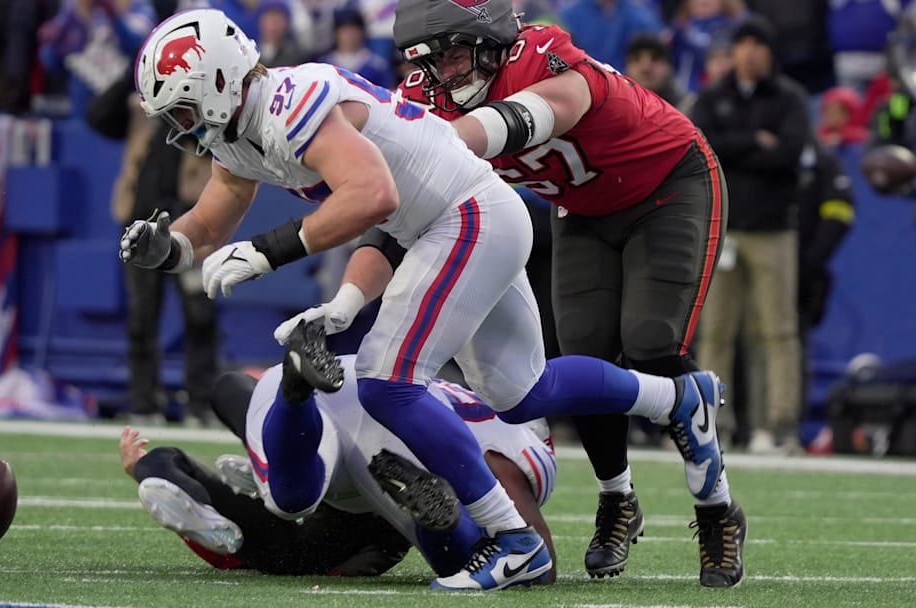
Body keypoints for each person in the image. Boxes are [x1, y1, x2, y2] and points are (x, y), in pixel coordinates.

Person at [120, 8, 724, 591]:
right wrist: (170, 247)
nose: (181, 127)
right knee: (523, 393)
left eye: (184, 109)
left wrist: (268, 251)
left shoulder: (290, 101)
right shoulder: (240, 128)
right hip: (460, 219)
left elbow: (372, 195)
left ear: (220, 80)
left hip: (462, 217)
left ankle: (514, 540)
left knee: (388, 381)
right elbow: (217, 208)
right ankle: (676, 396)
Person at [390, 0, 744, 588]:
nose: (445, 72)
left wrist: (437, 144)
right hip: (580, 209)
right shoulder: (427, 94)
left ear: (489, 39)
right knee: (584, 358)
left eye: (454, 54)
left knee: (652, 343)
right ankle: (617, 498)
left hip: (668, 185)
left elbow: (549, 109)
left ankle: (717, 509)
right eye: (433, 60)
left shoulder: (539, 52)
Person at [119, 320, 559, 580]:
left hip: (357, 380)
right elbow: (540, 564)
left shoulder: (486, 409)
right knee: (293, 505)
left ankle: (284, 405)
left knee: (231, 392)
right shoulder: (510, 460)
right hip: (371, 466)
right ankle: (262, 447)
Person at [691, 16, 811, 455]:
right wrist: (755, 141)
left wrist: (737, 148)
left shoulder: (789, 99)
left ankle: (778, 425)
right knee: (716, 330)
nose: (749, 52)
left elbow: (790, 155)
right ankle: (713, 423)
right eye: (742, 43)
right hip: (724, 228)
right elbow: (700, 147)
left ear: (770, 52)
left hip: (772, 230)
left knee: (776, 331)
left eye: (758, 44)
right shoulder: (713, 97)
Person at [87, 63, 218, 426]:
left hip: (191, 220)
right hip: (142, 220)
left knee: (200, 315)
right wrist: (131, 69)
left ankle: (201, 403)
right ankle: (144, 402)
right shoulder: (140, 104)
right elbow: (97, 116)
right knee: (142, 317)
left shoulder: (205, 100)